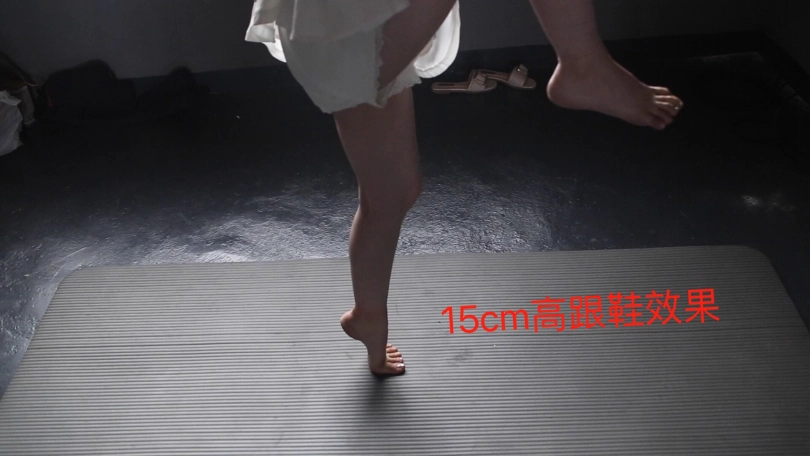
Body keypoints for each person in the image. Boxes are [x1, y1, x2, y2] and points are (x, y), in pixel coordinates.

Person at [246, 0, 684, 376]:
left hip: (355, 35)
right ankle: (584, 65)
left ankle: (368, 317)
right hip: (343, 32)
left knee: (394, 194)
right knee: (388, 195)